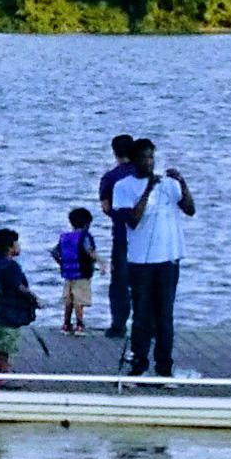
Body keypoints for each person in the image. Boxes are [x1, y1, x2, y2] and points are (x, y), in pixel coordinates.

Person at [111, 137, 196, 378]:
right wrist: (148, 189)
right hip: (140, 262)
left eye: (151, 158)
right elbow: (133, 221)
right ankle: (138, 363)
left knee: (165, 316)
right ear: (134, 160)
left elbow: (190, 209)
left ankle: (164, 367)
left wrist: (182, 183)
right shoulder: (124, 187)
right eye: (144, 158)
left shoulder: (168, 185)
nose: (149, 163)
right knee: (142, 315)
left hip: (168, 259)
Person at [96, 134, 137, 338]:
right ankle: (149, 323)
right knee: (146, 279)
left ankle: (118, 324)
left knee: (120, 281)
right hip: (146, 236)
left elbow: (106, 207)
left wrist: (119, 214)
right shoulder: (143, 175)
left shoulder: (110, 177)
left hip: (121, 233)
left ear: (114, 152)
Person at [0, 228, 38, 373]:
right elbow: (18, 286)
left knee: (3, 340)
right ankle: (3, 372)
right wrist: (34, 298)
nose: (19, 246)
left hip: (0, 308)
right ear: (10, 247)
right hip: (10, 310)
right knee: (7, 343)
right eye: (17, 243)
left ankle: (3, 370)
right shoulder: (11, 266)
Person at [50, 208, 98, 336]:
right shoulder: (85, 237)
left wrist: (62, 263)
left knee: (68, 300)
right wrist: (101, 262)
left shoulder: (65, 237)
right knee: (79, 301)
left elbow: (54, 252)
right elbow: (89, 251)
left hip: (68, 274)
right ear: (87, 223)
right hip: (81, 274)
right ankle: (79, 325)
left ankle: (66, 324)